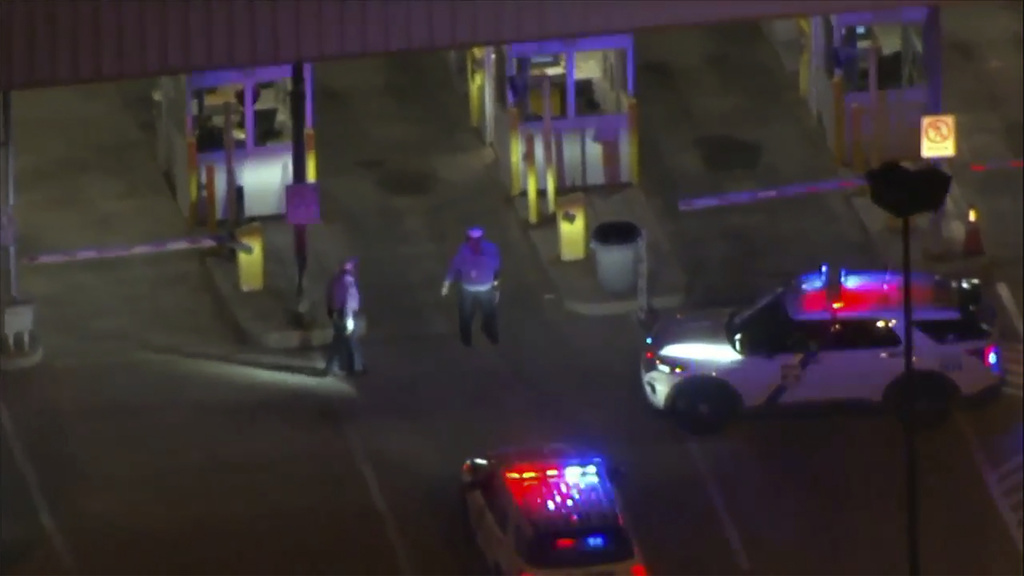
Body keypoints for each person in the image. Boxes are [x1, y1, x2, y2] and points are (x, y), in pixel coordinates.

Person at [442, 227, 501, 347]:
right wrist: (446, 284)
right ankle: (474, 336)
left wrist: (446, 285)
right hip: (475, 288)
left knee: (481, 314)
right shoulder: (485, 249)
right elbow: (454, 268)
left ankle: (479, 334)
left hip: (477, 288)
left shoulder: (469, 250)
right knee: (472, 314)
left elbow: (454, 269)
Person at [324, 259, 365, 377]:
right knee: (350, 342)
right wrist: (349, 319)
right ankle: (355, 367)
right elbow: (348, 301)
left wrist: (331, 311)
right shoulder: (348, 283)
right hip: (346, 314)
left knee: (338, 341)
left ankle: (331, 366)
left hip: (338, 313)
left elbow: (329, 296)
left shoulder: (336, 281)